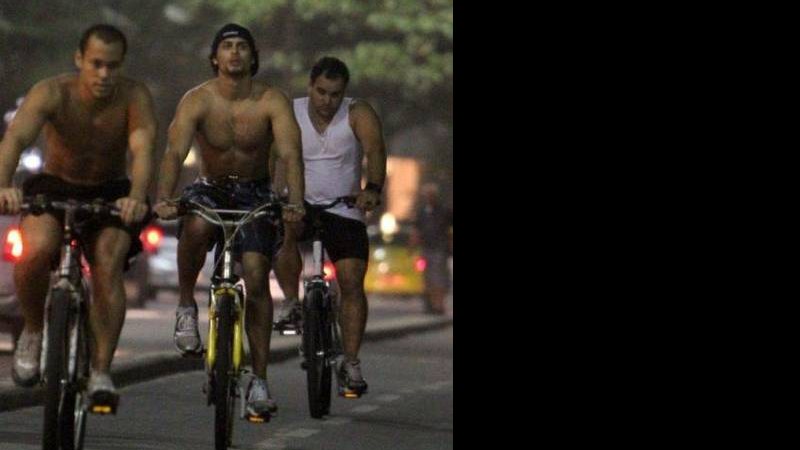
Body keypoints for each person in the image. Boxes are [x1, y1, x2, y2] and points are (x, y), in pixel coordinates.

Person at [152, 23, 305, 420]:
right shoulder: (197, 100)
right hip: (210, 188)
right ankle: (186, 307)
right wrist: (165, 199)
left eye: (242, 47)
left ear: (253, 57)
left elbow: (290, 154)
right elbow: (173, 152)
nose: (235, 53)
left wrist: (295, 202)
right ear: (215, 58)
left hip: (256, 191)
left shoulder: (272, 100)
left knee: (255, 274)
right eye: (227, 47)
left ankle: (259, 379)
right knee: (198, 225)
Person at [0, 24, 156, 411]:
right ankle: (33, 330)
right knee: (35, 251)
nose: (104, 74)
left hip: (111, 192)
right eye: (96, 64)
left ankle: (101, 370)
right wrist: (4, 184)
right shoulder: (52, 91)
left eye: (113, 66)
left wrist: (137, 197)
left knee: (107, 263)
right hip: (55, 185)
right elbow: (16, 139)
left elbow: (142, 148)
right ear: (79, 60)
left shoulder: (134, 96)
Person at [273, 56, 386, 398]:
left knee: (351, 281)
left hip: (344, 209)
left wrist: (372, 190)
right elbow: (271, 152)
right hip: (300, 204)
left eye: (335, 94)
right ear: (310, 87)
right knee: (284, 232)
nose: (327, 101)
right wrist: (272, 193)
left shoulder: (358, 113)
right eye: (321, 92)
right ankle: (292, 302)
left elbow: (376, 150)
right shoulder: (289, 111)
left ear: (344, 93)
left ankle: (351, 362)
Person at [411, 182, 453, 315]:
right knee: (427, 278)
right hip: (426, 249)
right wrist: (412, 245)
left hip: (440, 249)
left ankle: (439, 305)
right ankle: (430, 304)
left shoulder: (444, 211)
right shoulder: (422, 212)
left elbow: (450, 230)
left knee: (439, 278)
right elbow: (417, 230)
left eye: (431, 195)